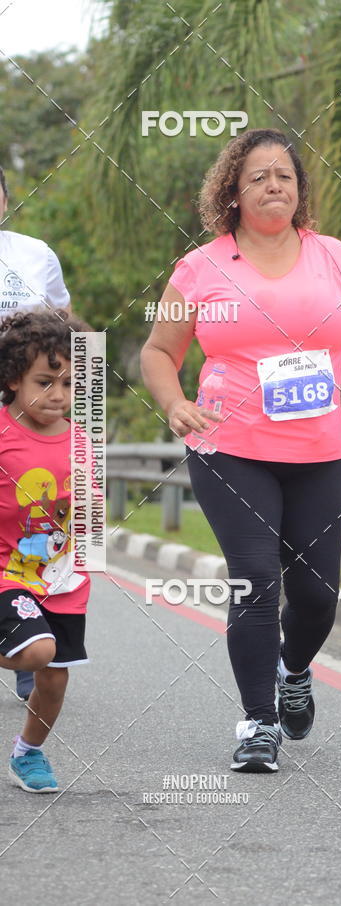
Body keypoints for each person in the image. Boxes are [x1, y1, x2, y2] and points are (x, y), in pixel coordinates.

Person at [141, 127, 341, 773]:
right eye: (258, 176)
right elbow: (159, 351)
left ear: (300, 191)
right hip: (228, 444)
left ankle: (294, 669)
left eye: (285, 176)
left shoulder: (336, 260)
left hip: (318, 448)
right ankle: (258, 723)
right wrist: (174, 403)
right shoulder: (202, 267)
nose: (274, 185)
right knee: (256, 579)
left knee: (319, 594)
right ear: (233, 194)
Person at [0, 309, 91, 792]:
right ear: (13, 378)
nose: (58, 396)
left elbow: (85, 509)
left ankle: (28, 753)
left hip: (60, 578)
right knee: (38, 651)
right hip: (7, 571)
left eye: (69, 384)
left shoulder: (81, 439)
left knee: (54, 681)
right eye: (44, 382)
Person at [1, 165, 72, 703]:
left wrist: (74, 411)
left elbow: (61, 328)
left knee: (34, 514)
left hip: (21, 401)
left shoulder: (33, 254)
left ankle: (29, 628)